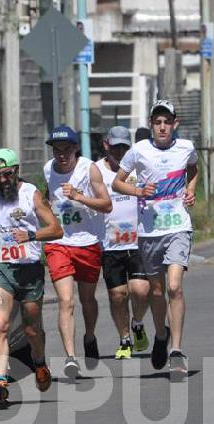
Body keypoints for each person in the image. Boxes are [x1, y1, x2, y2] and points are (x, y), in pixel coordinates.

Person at [111, 100, 198, 382]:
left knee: (174, 287)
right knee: (157, 292)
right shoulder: (139, 151)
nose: (162, 127)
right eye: (157, 122)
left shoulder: (186, 148)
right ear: (152, 125)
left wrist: (191, 190)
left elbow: (193, 169)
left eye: (167, 122)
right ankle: (161, 334)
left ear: (175, 123)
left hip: (178, 227)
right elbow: (117, 183)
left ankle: (176, 350)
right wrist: (138, 190)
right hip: (149, 231)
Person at [0, 148, 64, 404]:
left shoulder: (30, 194)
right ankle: (0, 380)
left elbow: (56, 229)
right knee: (0, 324)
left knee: (31, 329)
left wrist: (32, 236)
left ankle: (39, 362)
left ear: (17, 171)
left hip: (29, 268)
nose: (2, 180)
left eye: (6, 174)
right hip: (0, 266)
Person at [42, 125, 113, 378]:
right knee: (65, 300)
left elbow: (107, 205)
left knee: (87, 300)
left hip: (87, 242)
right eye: (56, 150)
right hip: (59, 243)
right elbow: (49, 198)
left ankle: (90, 335)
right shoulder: (48, 169)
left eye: (65, 149)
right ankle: (71, 358)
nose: (60, 155)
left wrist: (80, 197)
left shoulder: (89, 169)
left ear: (75, 149)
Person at [95, 126, 151, 359]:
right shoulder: (96, 170)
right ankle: (125, 339)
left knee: (140, 289)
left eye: (124, 148)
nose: (119, 152)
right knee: (117, 296)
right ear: (107, 145)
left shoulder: (138, 167)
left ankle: (137, 323)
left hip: (138, 241)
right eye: (115, 147)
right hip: (109, 244)